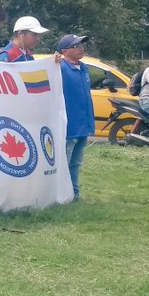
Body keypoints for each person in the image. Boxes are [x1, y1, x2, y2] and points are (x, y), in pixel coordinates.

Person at [57, 34, 93, 199]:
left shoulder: (84, 68)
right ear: (65, 51)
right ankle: (62, 194)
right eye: (76, 46)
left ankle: (74, 194)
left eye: (81, 45)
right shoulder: (61, 68)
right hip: (70, 125)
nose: (81, 48)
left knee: (76, 163)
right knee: (65, 162)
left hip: (83, 125)